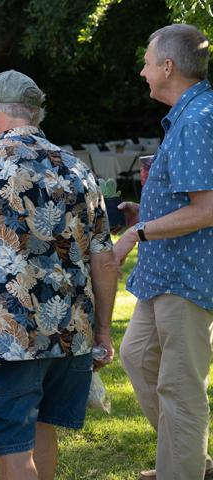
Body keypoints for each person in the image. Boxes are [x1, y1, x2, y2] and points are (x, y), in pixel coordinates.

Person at [0, 70, 118, 480]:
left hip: (9, 334)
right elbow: (105, 260)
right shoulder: (78, 168)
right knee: (42, 432)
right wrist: (103, 332)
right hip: (72, 334)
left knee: (14, 449)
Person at [114, 24, 213, 480]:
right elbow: (186, 197)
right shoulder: (187, 116)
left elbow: (208, 209)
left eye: (149, 62)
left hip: (187, 276)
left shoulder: (196, 119)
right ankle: (186, 459)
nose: (143, 71)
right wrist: (145, 209)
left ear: (168, 67)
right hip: (162, 275)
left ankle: (183, 469)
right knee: (136, 357)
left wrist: (138, 233)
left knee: (180, 387)